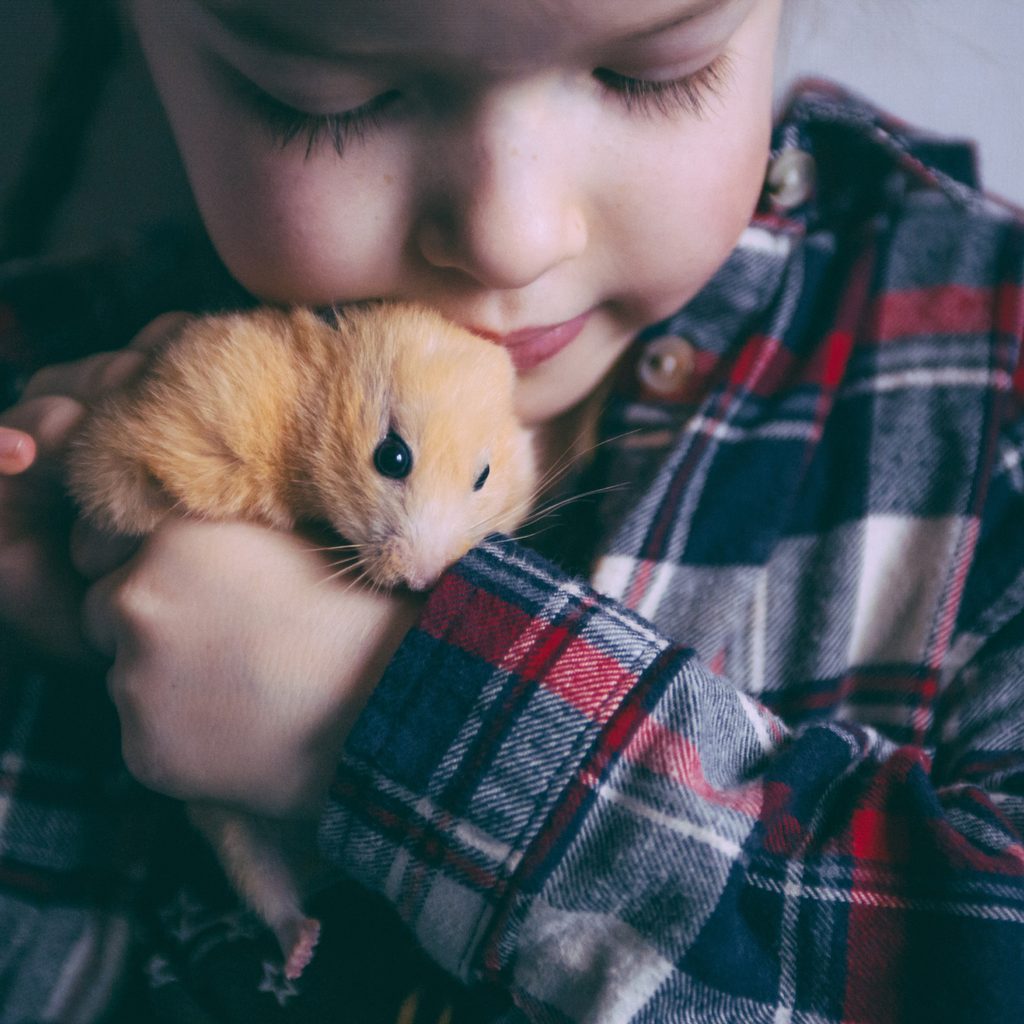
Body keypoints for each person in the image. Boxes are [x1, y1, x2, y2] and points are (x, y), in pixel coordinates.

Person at [1, 0, 1023, 1021]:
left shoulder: (992, 384)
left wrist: (387, 712)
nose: (511, 239)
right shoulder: (42, 366)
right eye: (333, 98)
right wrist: (49, 682)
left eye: (648, 73)